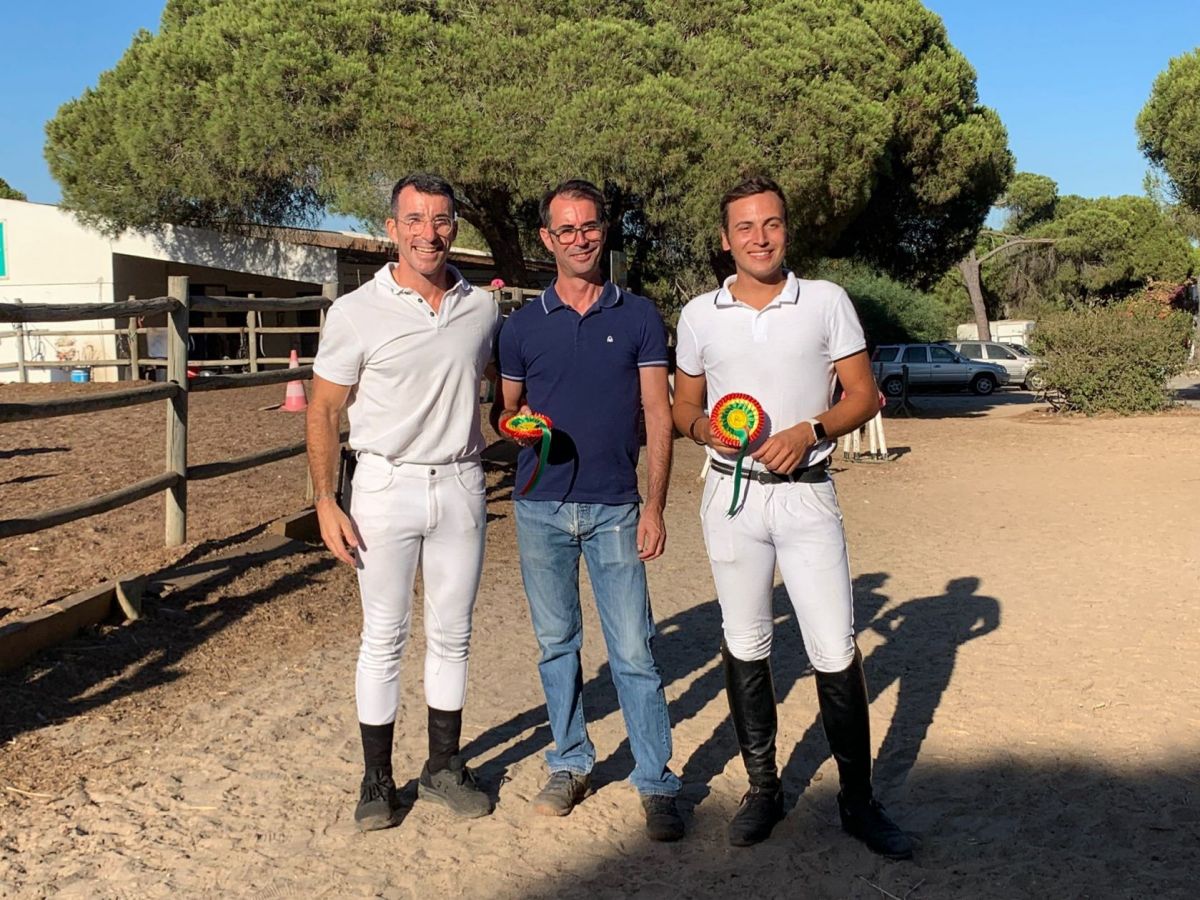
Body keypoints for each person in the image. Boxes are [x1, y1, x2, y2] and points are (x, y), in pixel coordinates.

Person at [670, 175, 913, 858]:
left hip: (808, 494)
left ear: (787, 229)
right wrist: (705, 431)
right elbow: (684, 406)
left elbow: (862, 396)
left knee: (834, 647)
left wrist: (811, 429)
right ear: (725, 240)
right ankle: (763, 790)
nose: (760, 238)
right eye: (745, 227)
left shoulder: (826, 301)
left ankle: (858, 801)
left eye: (771, 224)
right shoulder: (699, 315)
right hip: (733, 497)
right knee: (746, 641)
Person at [494, 179, 684, 842]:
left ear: (605, 229)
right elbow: (506, 410)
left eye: (589, 226)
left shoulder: (639, 316)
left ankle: (656, 780)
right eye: (566, 230)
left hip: (616, 509)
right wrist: (515, 426)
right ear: (547, 239)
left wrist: (655, 506)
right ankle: (570, 762)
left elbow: (658, 414)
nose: (579, 239)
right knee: (557, 647)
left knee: (633, 650)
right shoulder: (520, 326)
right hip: (539, 508)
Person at [307, 173, 498, 831]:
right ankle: (377, 779)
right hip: (385, 488)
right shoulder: (356, 311)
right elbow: (324, 409)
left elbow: (498, 383)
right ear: (392, 228)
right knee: (384, 636)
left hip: (461, 484)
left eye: (440, 219)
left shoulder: (481, 307)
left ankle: (442, 766)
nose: (428, 233)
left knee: (453, 635)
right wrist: (326, 501)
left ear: (455, 227)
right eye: (414, 219)